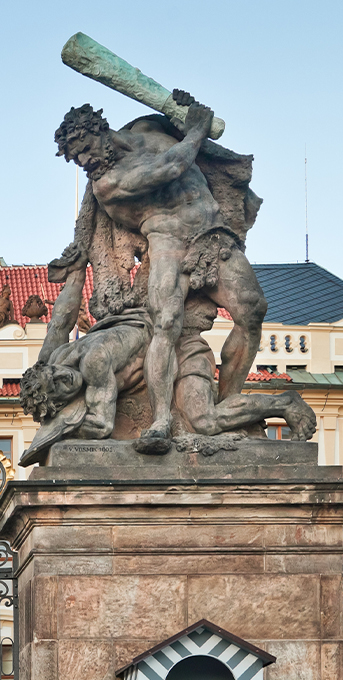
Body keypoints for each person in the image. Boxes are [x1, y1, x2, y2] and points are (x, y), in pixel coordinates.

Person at [51, 96, 265, 454]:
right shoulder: (107, 184)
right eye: (76, 158)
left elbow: (177, 132)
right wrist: (195, 128)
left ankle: (229, 400)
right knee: (165, 323)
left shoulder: (147, 129)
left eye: (85, 149)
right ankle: (161, 420)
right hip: (169, 244)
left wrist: (179, 111)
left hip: (214, 234)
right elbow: (172, 167)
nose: (84, 161)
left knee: (253, 312)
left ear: (102, 132)